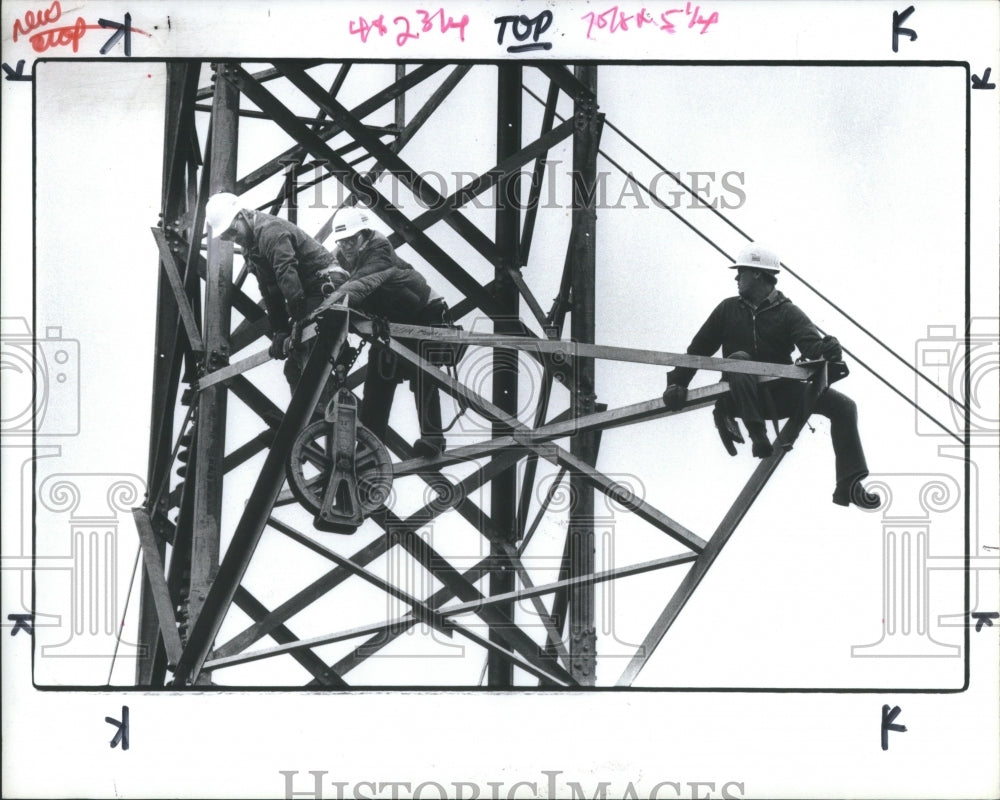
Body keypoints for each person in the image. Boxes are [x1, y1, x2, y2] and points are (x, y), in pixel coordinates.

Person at [661, 243, 880, 509]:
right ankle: (757, 434)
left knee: (844, 407)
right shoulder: (727, 310)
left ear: (757, 274)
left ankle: (850, 483)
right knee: (740, 361)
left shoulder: (788, 313)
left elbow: (811, 346)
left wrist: (828, 349)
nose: (736, 278)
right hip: (738, 397)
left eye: (740, 272)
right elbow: (697, 350)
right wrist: (677, 384)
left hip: (778, 396)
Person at [323, 205, 452, 458]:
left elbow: (357, 288)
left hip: (426, 315)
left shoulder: (379, 252)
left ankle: (433, 441)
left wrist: (325, 307)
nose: (346, 247)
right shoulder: (342, 256)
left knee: (422, 374)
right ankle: (370, 450)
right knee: (377, 382)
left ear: (365, 235)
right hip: (392, 323)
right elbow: (333, 280)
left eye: (351, 240)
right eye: (342, 242)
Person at [204, 192, 348, 392]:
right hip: (306, 293)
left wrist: (299, 321)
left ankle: (327, 405)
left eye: (233, 231)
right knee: (293, 368)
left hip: (326, 283)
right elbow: (269, 292)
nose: (233, 239)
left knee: (309, 348)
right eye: (227, 236)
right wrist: (280, 330)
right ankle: (310, 419)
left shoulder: (271, 232)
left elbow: (286, 274)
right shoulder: (250, 249)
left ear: (242, 215)